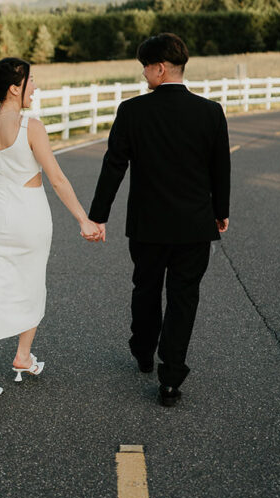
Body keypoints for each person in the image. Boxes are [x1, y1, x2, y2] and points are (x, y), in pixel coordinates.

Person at [0, 57, 102, 400]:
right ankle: (22, 356)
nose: (35, 88)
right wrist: (83, 219)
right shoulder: (32, 127)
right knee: (30, 283)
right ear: (15, 87)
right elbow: (57, 180)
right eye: (31, 82)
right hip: (29, 215)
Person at [88, 33, 231, 407]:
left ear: (160, 68)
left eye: (145, 68)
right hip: (193, 225)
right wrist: (221, 212)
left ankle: (142, 350)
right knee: (184, 298)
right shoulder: (210, 112)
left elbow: (114, 166)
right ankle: (171, 378)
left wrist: (98, 215)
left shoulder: (132, 112)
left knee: (146, 289)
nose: (143, 75)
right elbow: (221, 169)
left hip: (147, 226)